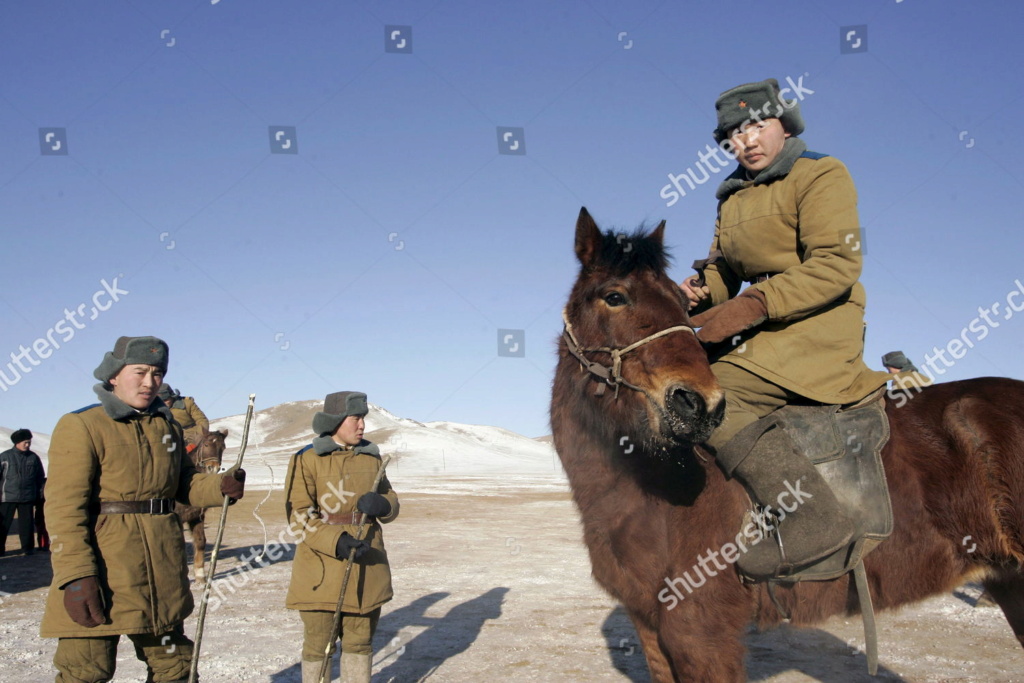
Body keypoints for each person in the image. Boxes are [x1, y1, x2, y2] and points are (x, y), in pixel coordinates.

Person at [680, 78, 892, 580]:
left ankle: (813, 517)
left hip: (819, 323)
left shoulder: (820, 173)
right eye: (733, 132)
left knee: (716, 392)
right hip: (762, 324)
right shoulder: (731, 197)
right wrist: (697, 294)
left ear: (783, 124)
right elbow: (723, 273)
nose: (746, 140)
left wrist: (757, 301)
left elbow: (838, 263)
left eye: (756, 124)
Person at [39, 335, 246, 683]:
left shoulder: (166, 427)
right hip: (104, 571)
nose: (150, 382)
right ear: (114, 375)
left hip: (160, 571)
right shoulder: (82, 425)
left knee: (176, 669)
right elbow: (63, 509)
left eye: (158, 373)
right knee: (86, 672)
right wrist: (76, 576)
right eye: (140, 372)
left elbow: (184, 484)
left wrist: (220, 486)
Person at [285, 391, 399, 683]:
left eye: (363, 418)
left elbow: (391, 497)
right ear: (335, 421)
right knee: (319, 646)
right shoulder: (307, 460)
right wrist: (335, 541)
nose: (362, 426)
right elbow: (299, 517)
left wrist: (384, 505)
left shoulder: (372, 458)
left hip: (367, 566)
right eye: (355, 418)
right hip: (322, 571)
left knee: (360, 644)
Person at [0, 428, 45, 556]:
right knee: (3, 525)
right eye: (25, 442)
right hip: (7, 496)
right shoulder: (5, 456)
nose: (28, 445)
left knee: (27, 525)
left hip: (27, 497)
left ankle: (27, 548)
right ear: (17, 442)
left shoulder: (33, 458)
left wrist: (39, 495)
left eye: (29, 442)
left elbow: (39, 478)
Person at [157, 383, 210, 449]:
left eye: (165, 400)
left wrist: (198, 436)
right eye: (160, 401)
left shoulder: (187, 403)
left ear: (172, 396)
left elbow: (202, 420)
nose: (163, 403)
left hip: (192, 436)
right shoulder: (155, 409)